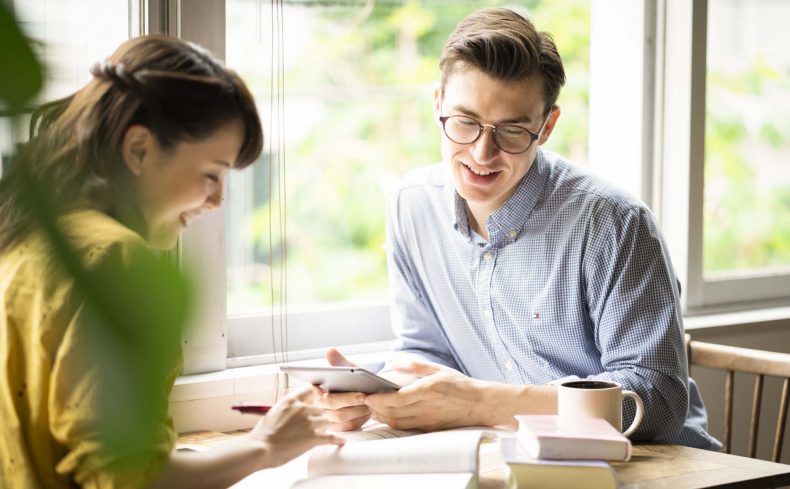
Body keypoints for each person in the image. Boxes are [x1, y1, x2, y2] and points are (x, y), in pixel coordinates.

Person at [318, 7, 721, 450]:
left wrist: (481, 403)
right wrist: (381, 392)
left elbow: (656, 404)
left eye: (511, 131)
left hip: (658, 466)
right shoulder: (411, 205)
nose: (482, 153)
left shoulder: (615, 223)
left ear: (546, 126)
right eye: (465, 122)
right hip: (519, 456)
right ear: (438, 103)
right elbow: (427, 350)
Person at [0, 35, 343, 489]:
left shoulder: (24, 237)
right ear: (138, 149)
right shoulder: (120, 263)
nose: (218, 200)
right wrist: (265, 447)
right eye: (211, 174)